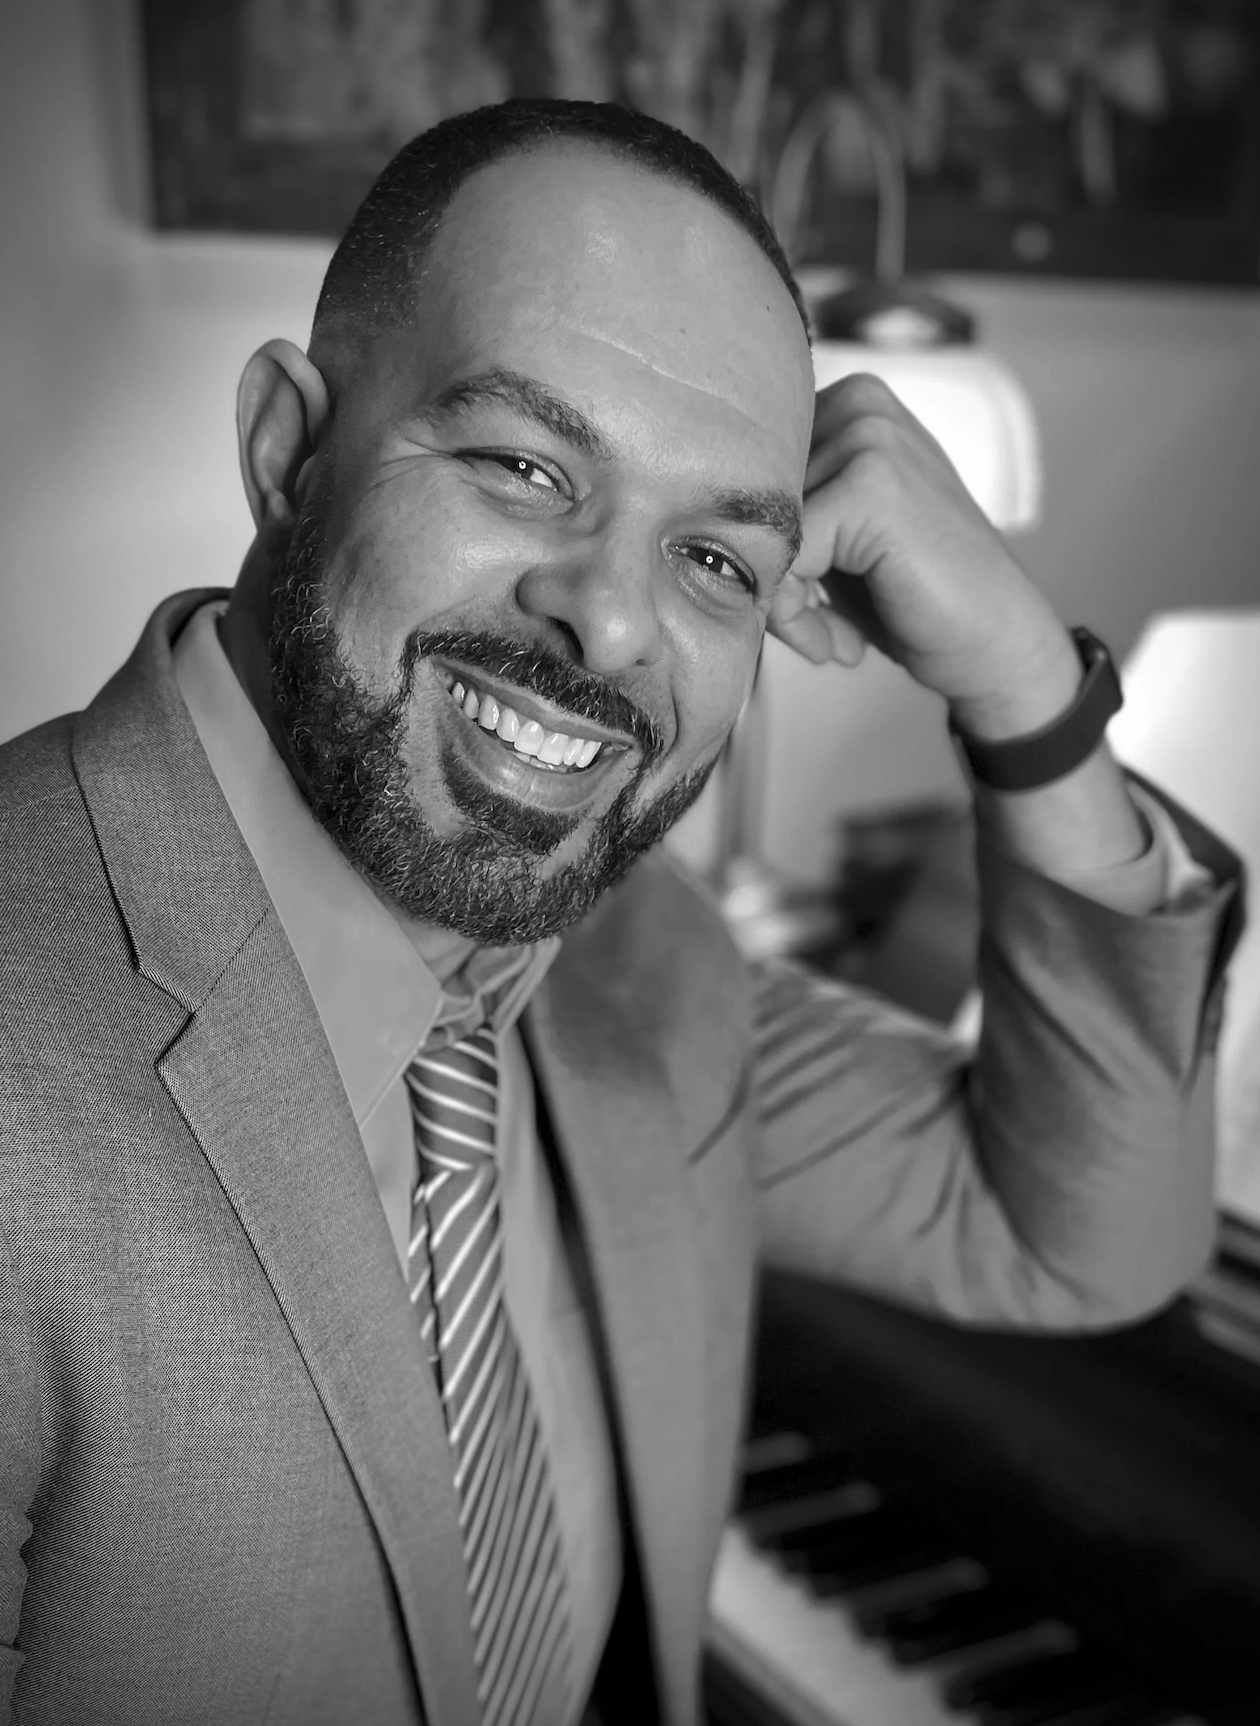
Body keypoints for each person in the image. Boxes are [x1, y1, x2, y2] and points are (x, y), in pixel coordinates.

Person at [0, 98, 1240, 1726]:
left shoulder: (653, 966)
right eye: (526, 467)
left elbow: (1087, 1237)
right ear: (289, 452)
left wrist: (1022, 681)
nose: (608, 622)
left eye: (715, 559)